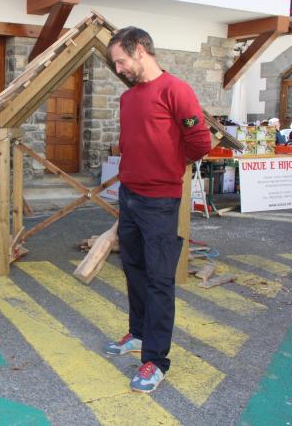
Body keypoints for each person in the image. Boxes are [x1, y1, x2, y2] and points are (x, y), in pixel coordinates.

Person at [104, 27, 212, 393]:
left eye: (121, 61)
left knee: (159, 279)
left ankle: (156, 360)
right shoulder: (128, 98)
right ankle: (137, 333)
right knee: (133, 269)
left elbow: (199, 141)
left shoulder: (175, 90)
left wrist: (168, 165)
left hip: (161, 201)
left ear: (139, 50)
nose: (118, 69)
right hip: (129, 194)